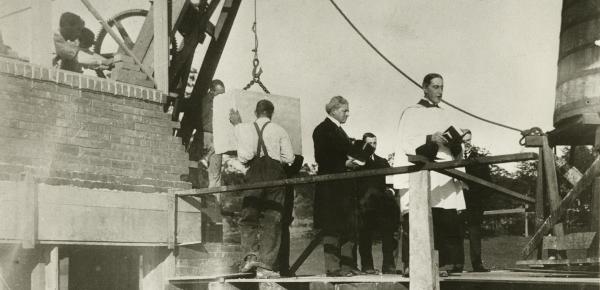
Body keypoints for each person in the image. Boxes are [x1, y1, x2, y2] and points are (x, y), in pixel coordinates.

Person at [393, 73, 466, 275]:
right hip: (422, 170)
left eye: (442, 87)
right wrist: (430, 138)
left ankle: (442, 264)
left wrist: (458, 140)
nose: (440, 92)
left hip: (444, 170)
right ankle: (411, 264)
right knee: (417, 217)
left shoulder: (445, 113)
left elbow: (455, 142)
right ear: (424, 88)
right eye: (435, 87)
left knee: (444, 218)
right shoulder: (412, 112)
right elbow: (406, 141)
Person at [235, 99, 295, 278]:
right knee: (273, 219)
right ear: (271, 113)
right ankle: (267, 266)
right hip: (275, 176)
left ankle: (250, 257)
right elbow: (290, 157)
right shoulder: (279, 130)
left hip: (254, 175)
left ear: (256, 112)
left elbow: (244, 157)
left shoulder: (245, 129)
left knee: (249, 217)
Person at [313, 96, 361, 277]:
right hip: (330, 188)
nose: (348, 114)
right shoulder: (322, 129)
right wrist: (345, 164)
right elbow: (322, 158)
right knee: (332, 226)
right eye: (344, 110)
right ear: (333, 110)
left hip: (343, 187)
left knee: (347, 226)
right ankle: (333, 268)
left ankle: (347, 266)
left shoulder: (340, 131)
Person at [356, 133, 400, 274]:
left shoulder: (382, 162)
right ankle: (367, 266)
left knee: (388, 236)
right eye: (369, 143)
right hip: (365, 206)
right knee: (365, 236)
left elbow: (391, 181)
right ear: (363, 144)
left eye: (375, 143)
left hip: (382, 206)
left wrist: (391, 192)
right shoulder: (358, 164)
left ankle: (388, 266)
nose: (373, 146)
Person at [459, 131, 491, 272]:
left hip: (473, 201)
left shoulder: (479, 159)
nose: (467, 143)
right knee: (456, 232)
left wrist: (477, 196)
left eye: (469, 140)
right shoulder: (453, 157)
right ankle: (457, 264)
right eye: (464, 140)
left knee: (474, 232)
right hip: (456, 199)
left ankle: (477, 263)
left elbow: (487, 181)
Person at [186, 80, 226, 188]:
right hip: (205, 136)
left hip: (210, 136)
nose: (222, 96)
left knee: (211, 172)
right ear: (212, 91)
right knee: (211, 173)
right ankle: (202, 195)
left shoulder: (204, 101)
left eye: (223, 93)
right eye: (219, 93)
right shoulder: (206, 102)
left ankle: (207, 197)